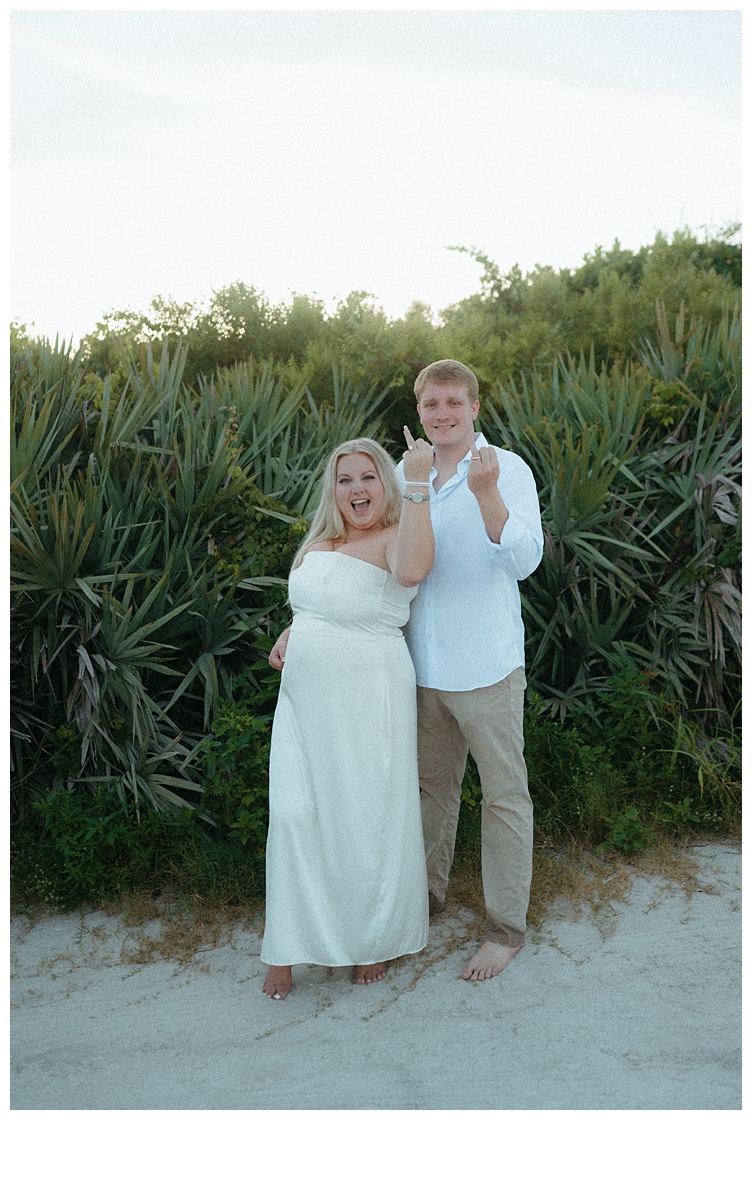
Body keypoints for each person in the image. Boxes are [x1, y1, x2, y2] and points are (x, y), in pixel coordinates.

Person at [261, 434, 435, 1000]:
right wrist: (292, 632)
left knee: (364, 820)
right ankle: (285, 948)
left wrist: (416, 485)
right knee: (292, 815)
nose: (356, 489)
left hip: (369, 697)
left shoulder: (395, 536)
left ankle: (370, 940)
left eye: (367, 477)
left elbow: (410, 572)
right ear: (332, 491)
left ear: (384, 482)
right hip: (303, 706)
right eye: (345, 479)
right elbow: (314, 606)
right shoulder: (319, 545)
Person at [395, 359, 543, 982]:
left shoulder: (505, 469)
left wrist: (487, 498)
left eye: (454, 403)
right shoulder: (410, 471)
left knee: (504, 796)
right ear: (421, 411)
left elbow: (526, 560)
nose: (443, 414)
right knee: (432, 792)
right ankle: (425, 902)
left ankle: (505, 928)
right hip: (425, 666)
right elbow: (387, 557)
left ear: (474, 408)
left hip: (486, 665)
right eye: (432, 405)